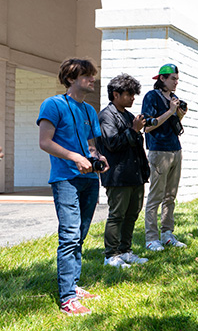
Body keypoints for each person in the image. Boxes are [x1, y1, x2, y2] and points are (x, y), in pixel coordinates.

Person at [37, 58, 108, 316]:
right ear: (71, 79)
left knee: (80, 233)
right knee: (69, 235)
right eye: (87, 76)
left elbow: (90, 147)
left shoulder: (89, 111)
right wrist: (74, 157)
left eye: (92, 75)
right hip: (65, 178)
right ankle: (67, 297)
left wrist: (97, 157)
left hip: (89, 179)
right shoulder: (53, 104)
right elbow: (45, 142)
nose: (92, 80)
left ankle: (73, 284)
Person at [97, 74, 150, 268]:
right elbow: (112, 144)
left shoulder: (128, 116)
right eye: (129, 94)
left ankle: (126, 250)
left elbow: (136, 145)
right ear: (116, 94)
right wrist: (133, 131)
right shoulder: (106, 116)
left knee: (132, 214)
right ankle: (111, 255)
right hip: (118, 176)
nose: (133, 98)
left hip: (134, 174)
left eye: (134, 94)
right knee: (117, 215)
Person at [141, 63, 188, 251]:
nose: (176, 82)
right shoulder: (151, 97)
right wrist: (169, 111)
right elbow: (147, 126)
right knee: (155, 196)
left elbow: (172, 124)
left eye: (177, 79)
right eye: (173, 79)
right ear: (162, 78)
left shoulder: (174, 98)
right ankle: (151, 238)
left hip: (175, 149)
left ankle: (168, 234)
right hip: (159, 151)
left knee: (170, 196)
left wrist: (179, 114)